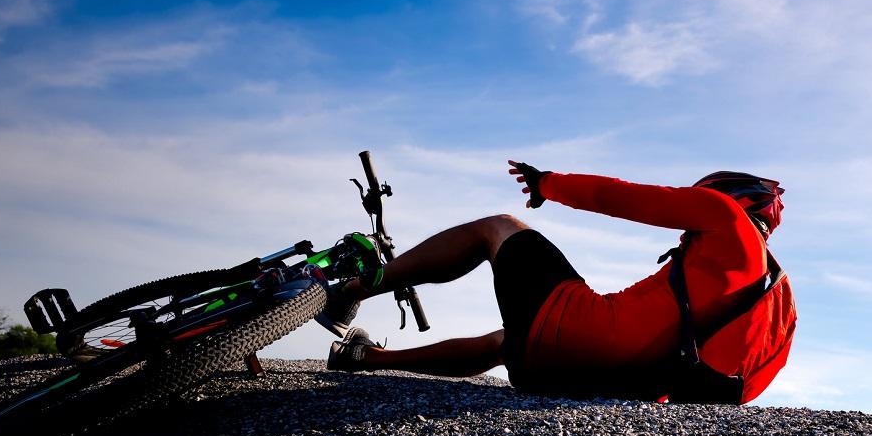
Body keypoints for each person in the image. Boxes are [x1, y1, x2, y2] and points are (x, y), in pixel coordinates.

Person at [320, 160, 789, 400]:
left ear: (730, 196)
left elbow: (624, 197)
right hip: (609, 383)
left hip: (585, 334)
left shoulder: (727, 220)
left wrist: (548, 184)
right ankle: (363, 356)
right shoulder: (768, 292)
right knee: (508, 342)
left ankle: (353, 293)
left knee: (498, 228)